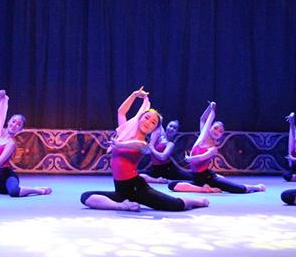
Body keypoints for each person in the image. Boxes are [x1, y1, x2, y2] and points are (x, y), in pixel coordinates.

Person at [80, 87, 209, 211]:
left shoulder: (143, 143)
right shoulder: (125, 133)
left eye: (153, 123)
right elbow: (121, 112)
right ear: (139, 118)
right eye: (147, 118)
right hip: (120, 189)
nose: (148, 122)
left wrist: (119, 145)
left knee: (175, 205)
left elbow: (138, 145)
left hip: (137, 187)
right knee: (86, 197)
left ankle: (196, 201)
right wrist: (134, 95)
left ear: (154, 129)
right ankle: (122, 206)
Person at [168, 101, 266, 194]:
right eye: (215, 128)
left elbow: (201, 157)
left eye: (220, 131)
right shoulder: (202, 136)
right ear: (210, 128)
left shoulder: (213, 149)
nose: (217, 131)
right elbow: (202, 119)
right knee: (172, 185)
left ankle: (256, 187)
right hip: (195, 178)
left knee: (238, 189)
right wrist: (210, 107)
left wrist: (190, 158)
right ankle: (205, 189)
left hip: (208, 178)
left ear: (221, 136)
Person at [139, 120, 193, 184]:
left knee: (190, 177)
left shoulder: (170, 144)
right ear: (167, 126)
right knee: (136, 174)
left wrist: (152, 148)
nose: (171, 129)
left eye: (174, 128)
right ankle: (157, 180)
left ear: (176, 132)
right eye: (170, 126)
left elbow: (162, 157)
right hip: (155, 168)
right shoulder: (157, 136)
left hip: (167, 169)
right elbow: (158, 123)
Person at [282, 112, 296, 182]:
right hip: (295, 168)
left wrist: (293, 159)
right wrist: (292, 120)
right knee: (286, 175)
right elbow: (293, 132)